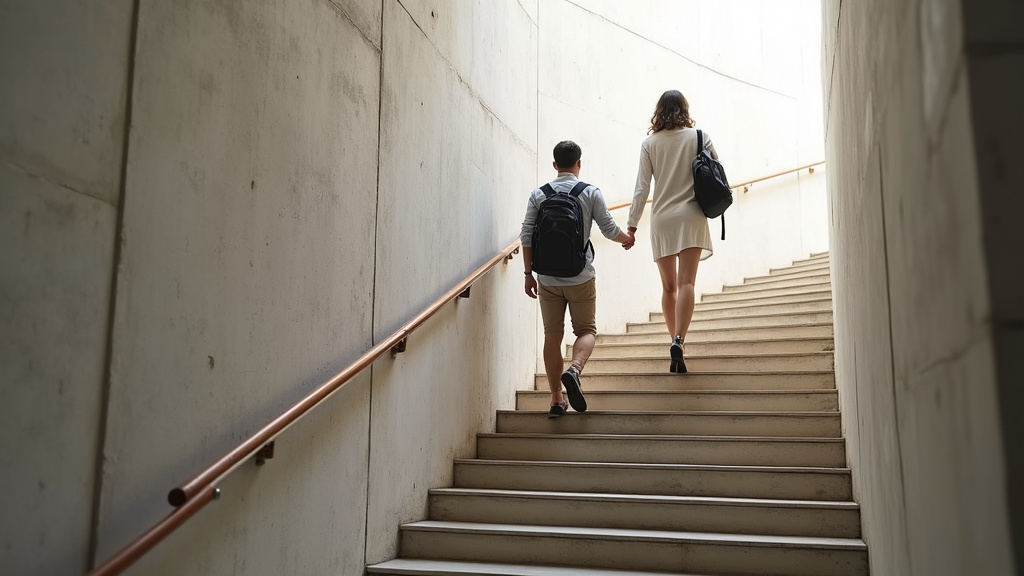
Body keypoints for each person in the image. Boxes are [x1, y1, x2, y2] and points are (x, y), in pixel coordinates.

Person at [521, 140, 634, 418]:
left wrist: (528, 274)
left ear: (554, 164)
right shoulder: (590, 192)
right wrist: (626, 239)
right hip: (580, 277)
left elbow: (526, 235)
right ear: (579, 163)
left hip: (547, 278)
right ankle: (574, 369)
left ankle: (556, 400)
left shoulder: (539, 194)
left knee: (552, 335)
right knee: (586, 331)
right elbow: (609, 229)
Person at [625, 90, 719, 374]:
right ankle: (680, 339)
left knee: (668, 287)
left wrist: (631, 225)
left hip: (663, 219)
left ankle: (673, 341)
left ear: (659, 111)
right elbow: (717, 171)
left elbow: (642, 188)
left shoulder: (649, 144)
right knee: (686, 282)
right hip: (692, 215)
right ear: (684, 109)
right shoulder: (699, 137)